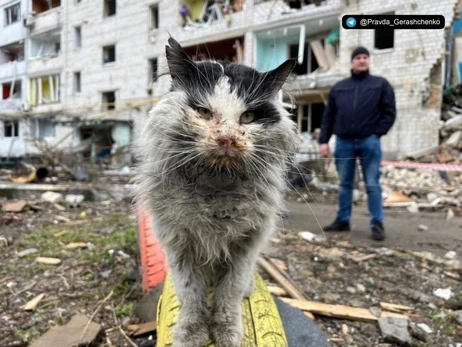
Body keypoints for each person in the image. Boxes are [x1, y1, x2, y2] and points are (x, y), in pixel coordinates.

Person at [318, 46, 396, 241]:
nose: (362, 60)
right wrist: (324, 141)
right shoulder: (339, 87)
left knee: (372, 183)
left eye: (365, 57)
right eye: (358, 57)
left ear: (368, 61)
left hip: (369, 142)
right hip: (344, 142)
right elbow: (329, 116)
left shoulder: (380, 84)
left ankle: (377, 222)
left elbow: (389, 112)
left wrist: (376, 133)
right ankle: (343, 219)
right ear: (352, 62)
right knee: (345, 183)